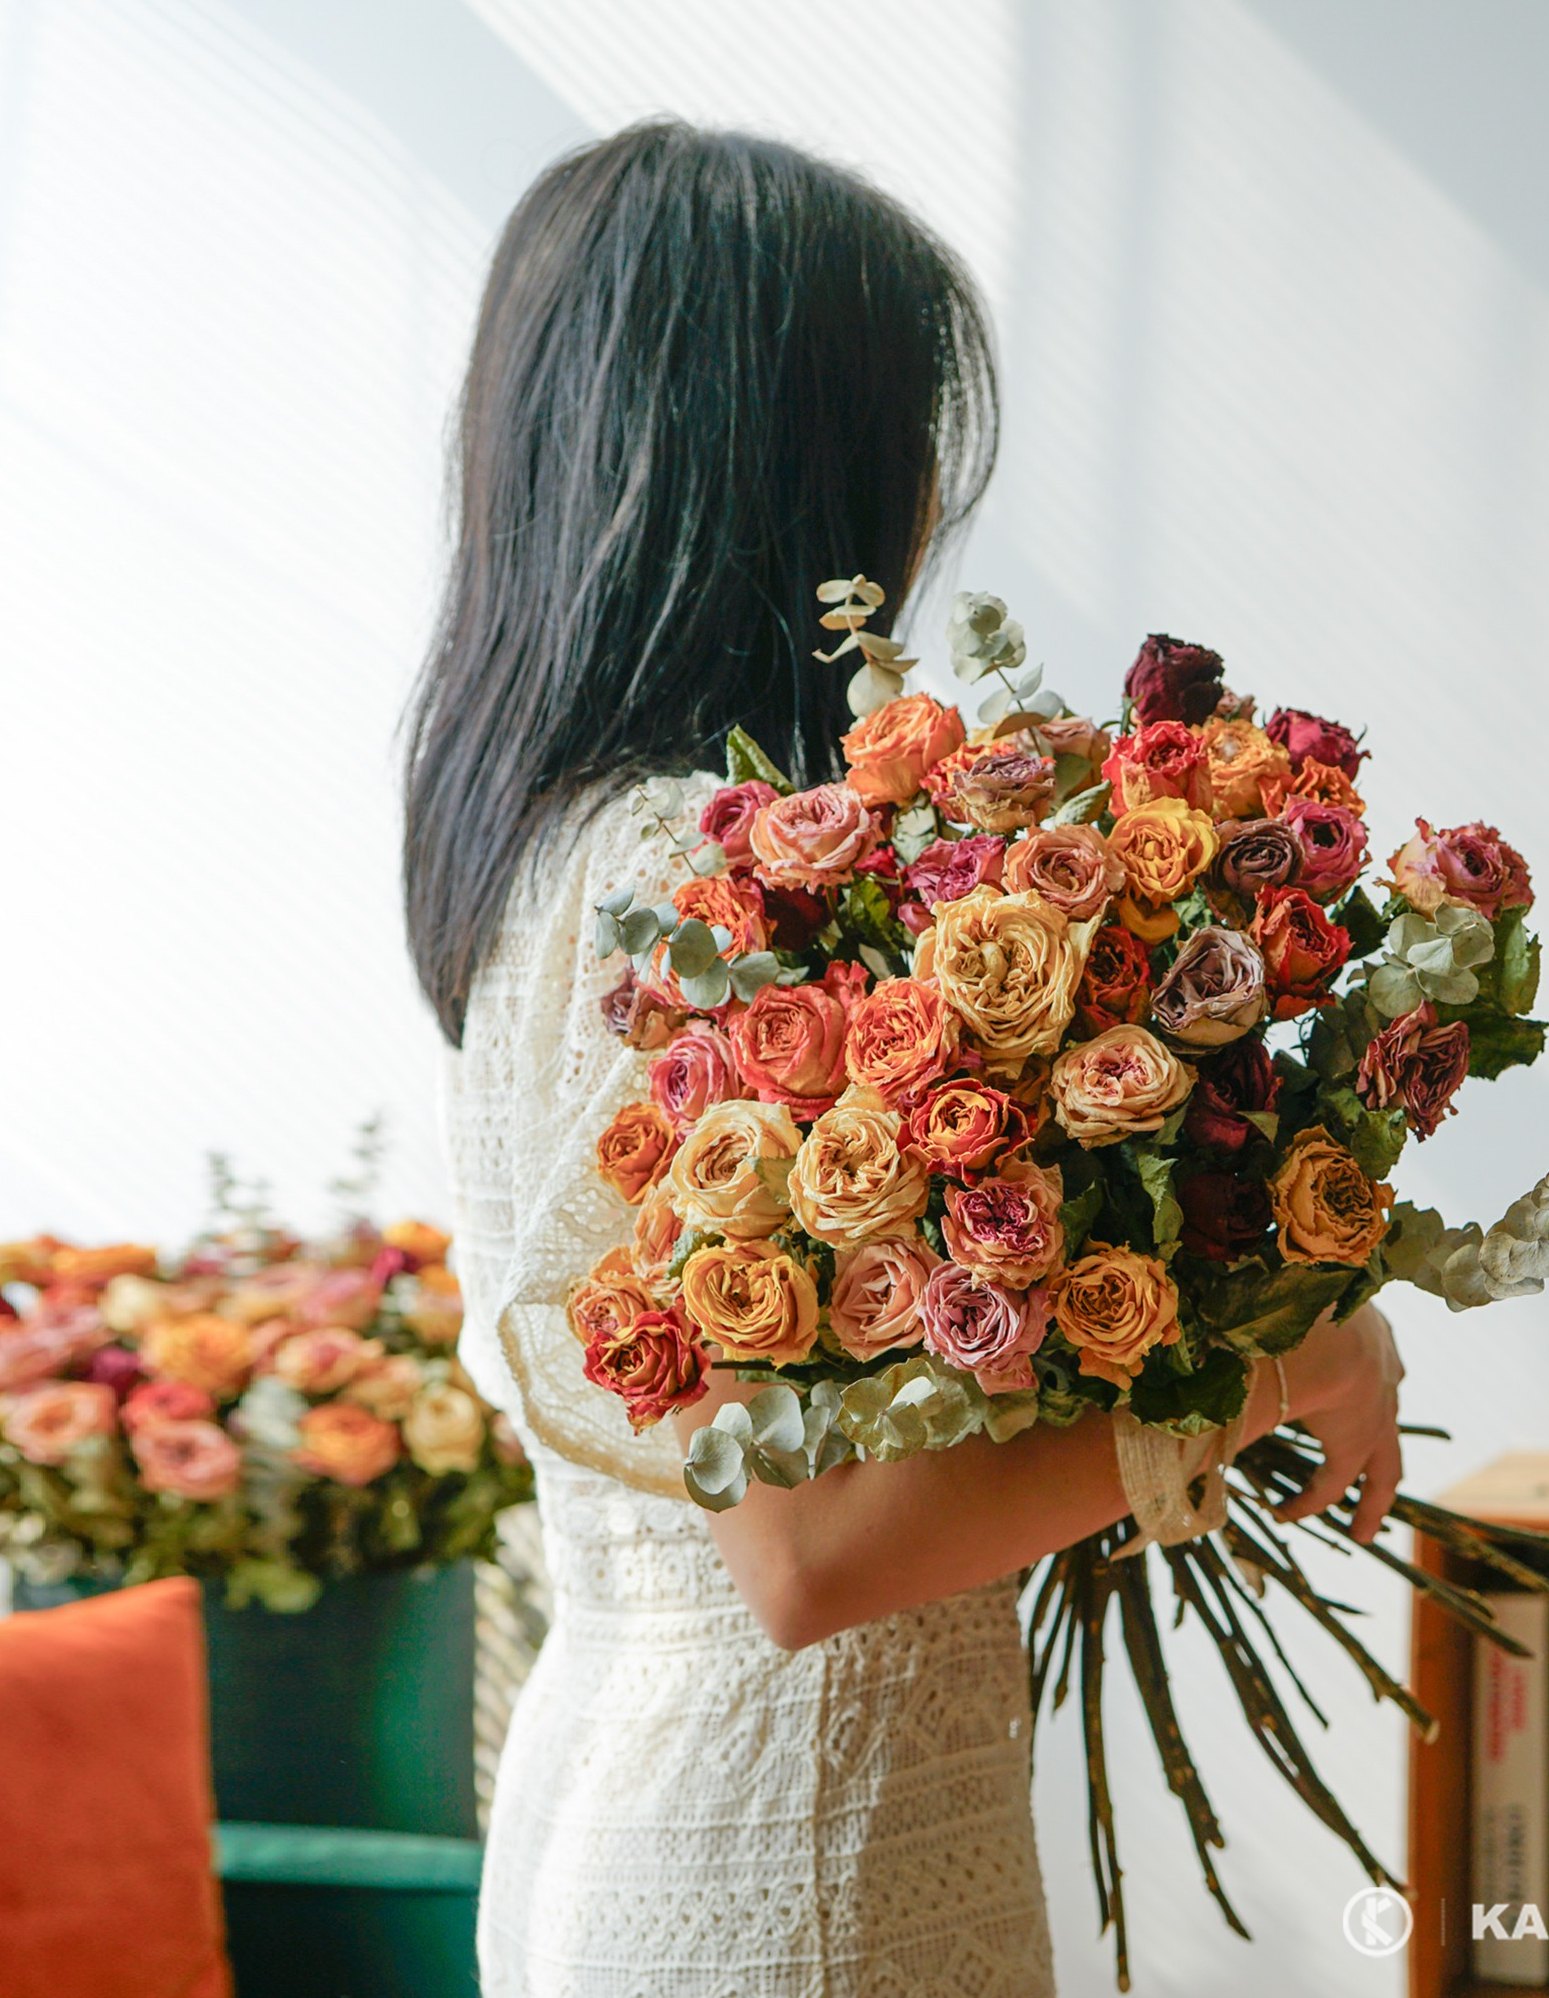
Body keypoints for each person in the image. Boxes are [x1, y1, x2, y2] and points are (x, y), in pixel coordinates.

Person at [406, 121, 1404, 1998]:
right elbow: (808, 1559)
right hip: (791, 1854)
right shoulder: (692, 868)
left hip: (631, 1804)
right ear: (792, 458)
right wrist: (1281, 1349)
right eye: (904, 426)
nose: (930, 489)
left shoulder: (545, 841)